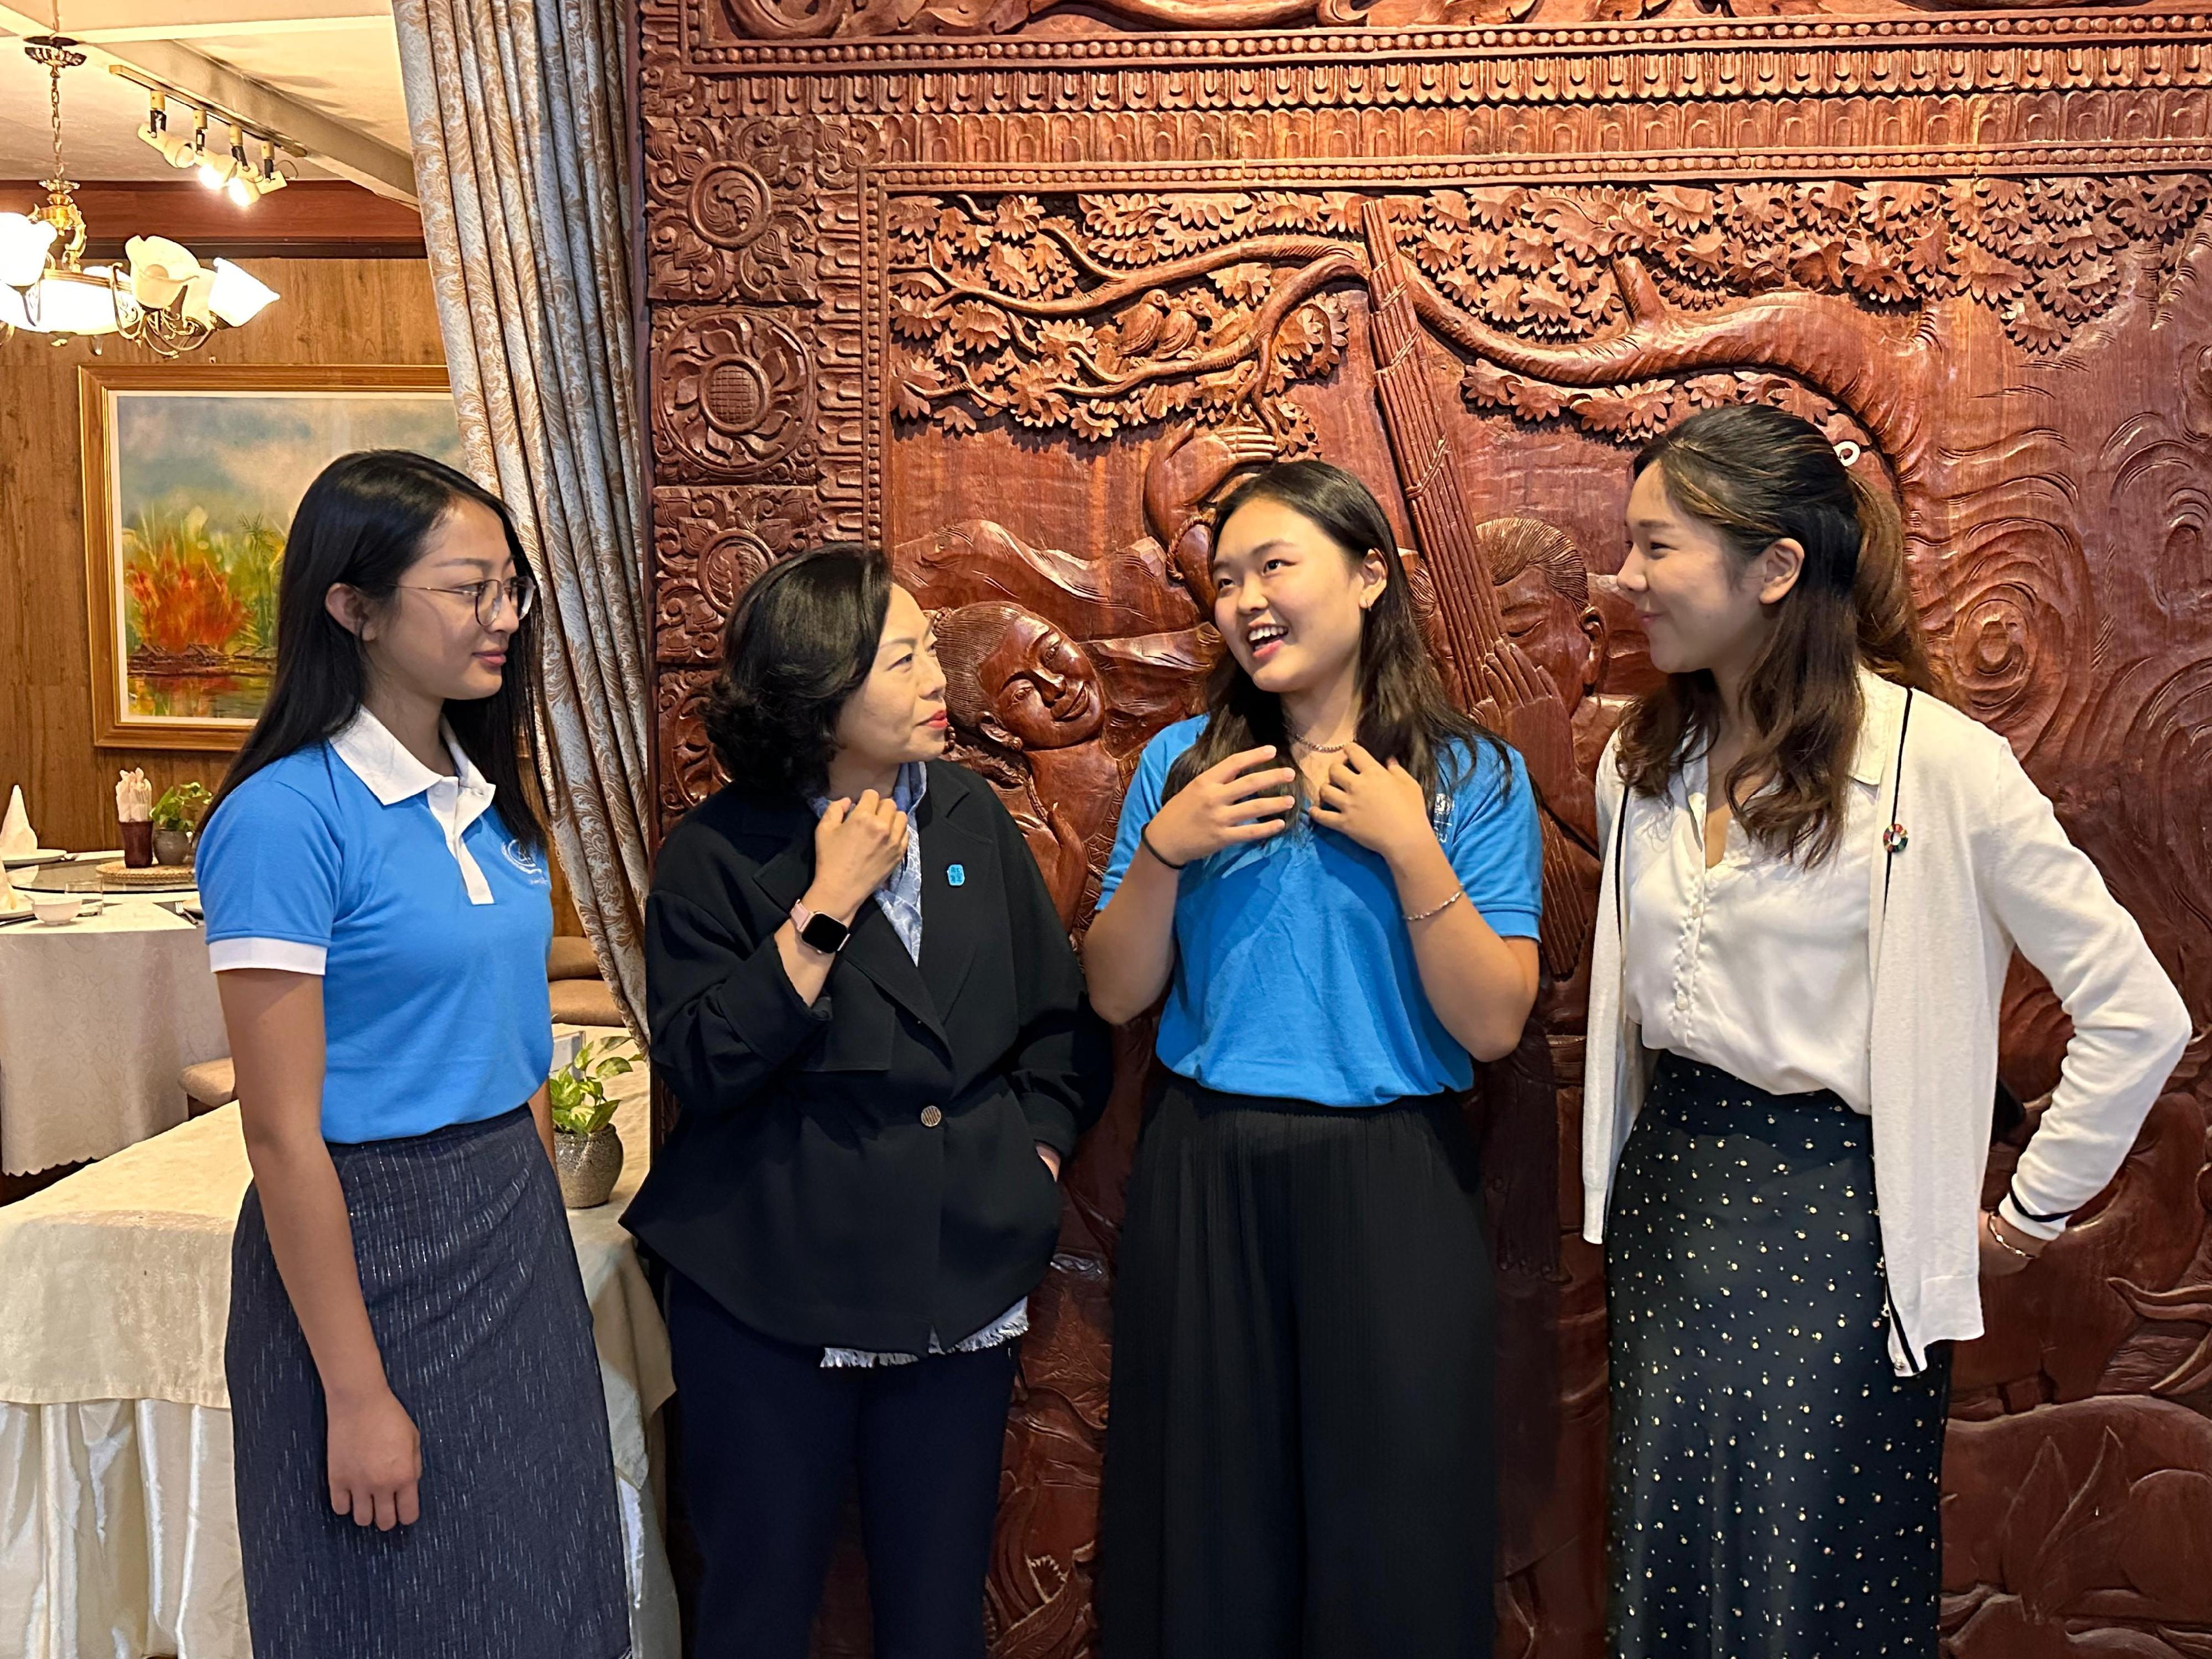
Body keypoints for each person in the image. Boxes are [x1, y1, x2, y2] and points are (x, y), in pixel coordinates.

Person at [1583, 403, 2192, 1658]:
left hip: (1833, 1224)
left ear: (1773, 568)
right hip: (1668, 1205)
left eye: (1655, 548)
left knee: (1810, 1586)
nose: (1625, 578)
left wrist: (2030, 1214)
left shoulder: (1938, 765)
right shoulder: (1636, 758)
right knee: (1670, 1565)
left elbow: (2137, 1009)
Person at [1086, 459, 1545, 1659]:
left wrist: (1410, 850)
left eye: (1273, 566)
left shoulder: (1468, 776)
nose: (1244, 600)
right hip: (1207, 1169)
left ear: (1369, 577)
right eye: (1225, 578)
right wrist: (1163, 854)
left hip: (1394, 1179)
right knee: (1207, 1531)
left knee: (1394, 1532)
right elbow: (1113, 990)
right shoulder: (1180, 767)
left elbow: (1493, 1025)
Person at [624, 543, 1108, 1659]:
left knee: (937, 1614)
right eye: (902, 661)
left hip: (956, 1267)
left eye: (930, 652)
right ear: (820, 686)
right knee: (756, 1605)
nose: (939, 681)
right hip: (768, 1282)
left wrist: (1028, 1155)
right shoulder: (716, 853)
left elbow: (1055, 1024)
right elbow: (703, 1067)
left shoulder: (968, 822)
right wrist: (826, 906)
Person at [195, 450, 628, 1658]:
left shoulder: (486, 797)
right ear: (354, 605)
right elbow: (282, 1135)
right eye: (467, 588)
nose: (502, 618)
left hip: (505, 1226)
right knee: (393, 1606)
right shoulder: (285, 818)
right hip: (367, 1243)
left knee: (545, 1580)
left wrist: (538, 1227)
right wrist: (354, 1388)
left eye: (511, 589)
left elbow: (519, 1050)